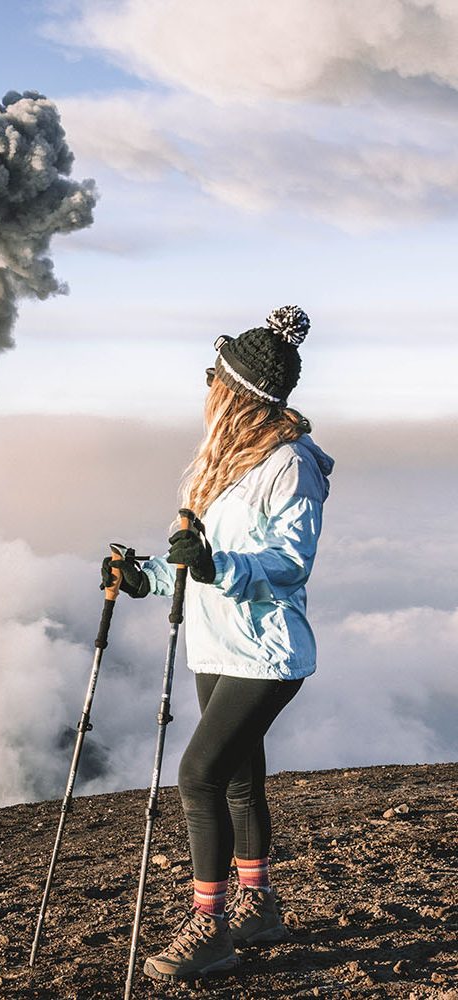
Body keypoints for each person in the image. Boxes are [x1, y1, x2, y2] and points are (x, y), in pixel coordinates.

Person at [114, 305, 334, 983]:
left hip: (266, 653)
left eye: (217, 378)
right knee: (238, 780)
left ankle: (209, 928)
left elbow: (289, 564)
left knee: (198, 776)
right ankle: (258, 905)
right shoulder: (217, 465)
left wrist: (215, 568)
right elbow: (196, 559)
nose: (208, 386)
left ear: (236, 393)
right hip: (217, 647)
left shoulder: (288, 466)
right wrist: (143, 576)